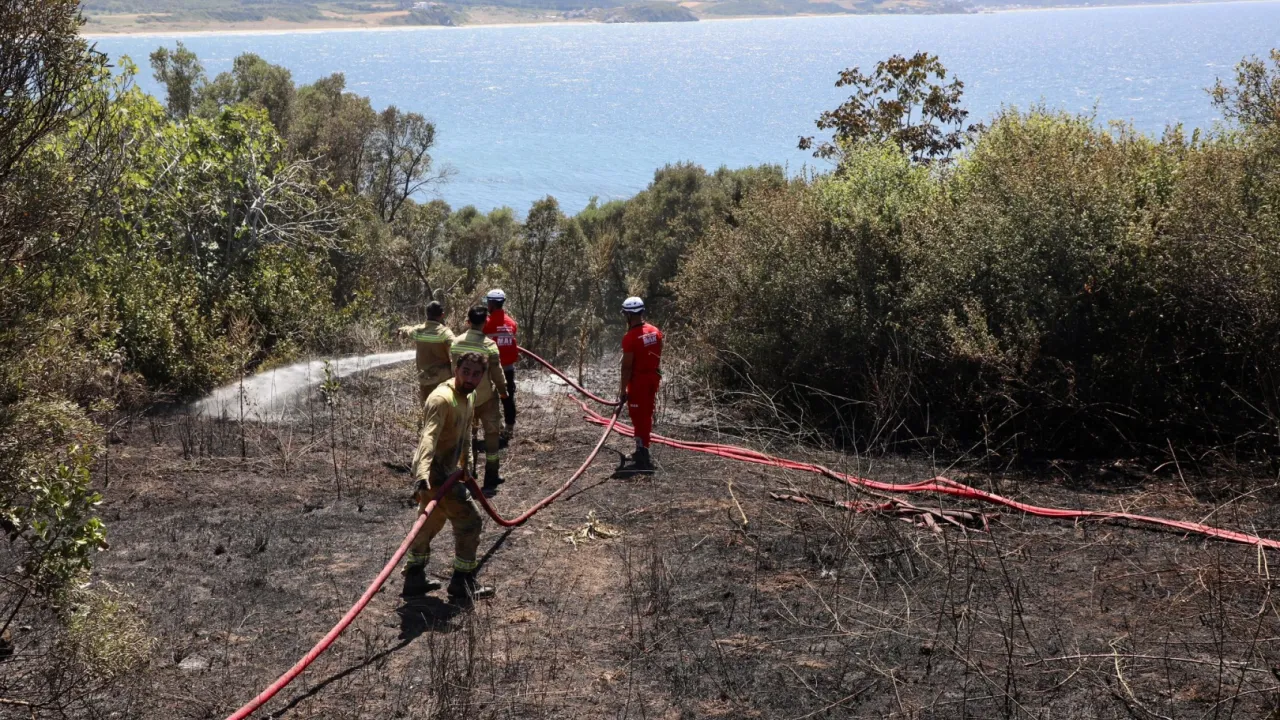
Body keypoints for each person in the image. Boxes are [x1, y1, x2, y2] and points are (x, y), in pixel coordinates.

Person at [401, 351, 495, 602]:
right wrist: (422, 475)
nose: (470, 378)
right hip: (435, 474)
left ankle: (414, 578)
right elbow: (427, 438)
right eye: (466, 372)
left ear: (482, 377)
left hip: (449, 473)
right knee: (471, 522)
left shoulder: (469, 395)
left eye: (476, 375)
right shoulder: (442, 399)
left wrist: (468, 466)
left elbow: (465, 433)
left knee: (429, 523)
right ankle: (462, 582)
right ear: (456, 370)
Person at [451, 305, 509, 493]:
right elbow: (497, 373)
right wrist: (503, 391)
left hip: (464, 398)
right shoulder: (489, 346)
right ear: (485, 322)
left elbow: (453, 370)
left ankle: (469, 474)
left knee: (469, 437)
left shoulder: (456, 343)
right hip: (486, 399)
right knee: (491, 436)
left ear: (468, 321)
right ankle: (491, 477)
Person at [617, 296, 663, 473]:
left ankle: (643, 455)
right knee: (647, 414)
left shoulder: (630, 338)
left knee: (638, 417)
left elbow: (626, 367)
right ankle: (641, 449)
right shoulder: (655, 331)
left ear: (628, 315)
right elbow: (658, 354)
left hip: (638, 383)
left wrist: (622, 390)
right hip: (652, 379)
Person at [398, 301, 455, 409]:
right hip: (442, 379)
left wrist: (402, 329)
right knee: (446, 406)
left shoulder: (418, 331)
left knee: (427, 408)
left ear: (427, 314)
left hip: (425, 379)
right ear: (442, 315)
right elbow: (456, 346)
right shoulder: (445, 332)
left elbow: (408, 331)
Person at [483, 289, 519, 440]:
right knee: (508, 398)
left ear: (491, 304)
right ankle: (509, 428)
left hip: (491, 368)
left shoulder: (487, 323)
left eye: (488, 302)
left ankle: (497, 426)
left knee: (490, 399)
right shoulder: (511, 323)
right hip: (508, 368)